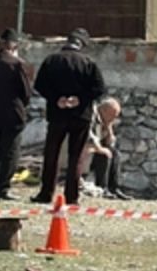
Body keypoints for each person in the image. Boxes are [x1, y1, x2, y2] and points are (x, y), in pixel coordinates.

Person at [32, 27, 106, 205]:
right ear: (82, 45)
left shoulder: (51, 60)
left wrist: (57, 99)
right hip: (81, 115)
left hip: (57, 114)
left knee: (52, 153)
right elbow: (99, 89)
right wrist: (79, 99)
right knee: (76, 155)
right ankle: (72, 196)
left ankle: (46, 193)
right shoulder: (88, 63)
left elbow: (39, 85)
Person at [0, 28, 32, 201]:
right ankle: (3, 187)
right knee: (10, 153)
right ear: (14, 45)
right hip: (12, 113)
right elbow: (25, 92)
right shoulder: (17, 64)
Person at [82, 97, 130, 200]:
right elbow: (89, 138)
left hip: (94, 150)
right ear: (104, 111)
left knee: (115, 153)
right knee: (104, 154)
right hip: (85, 152)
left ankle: (114, 188)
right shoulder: (92, 116)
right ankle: (102, 188)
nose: (114, 119)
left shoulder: (105, 121)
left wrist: (109, 127)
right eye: (112, 116)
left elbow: (110, 142)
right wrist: (100, 149)